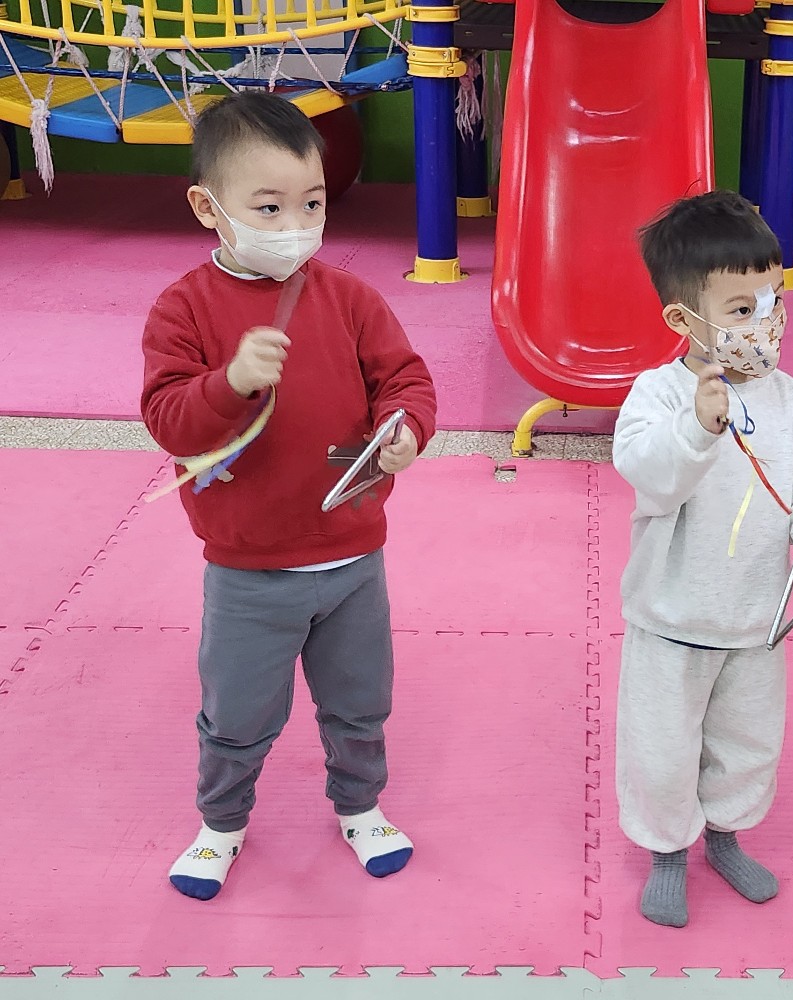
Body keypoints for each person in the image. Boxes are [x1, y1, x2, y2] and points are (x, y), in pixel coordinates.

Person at [140, 91, 436, 901]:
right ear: (209, 208)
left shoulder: (350, 299)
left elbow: (405, 378)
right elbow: (168, 419)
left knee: (359, 702)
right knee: (236, 714)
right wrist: (229, 381)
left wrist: (406, 427)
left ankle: (360, 807)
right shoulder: (182, 308)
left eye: (311, 204)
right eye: (268, 207)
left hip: (352, 558)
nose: (295, 225)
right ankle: (221, 823)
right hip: (247, 571)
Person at [612, 190, 793, 927]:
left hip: (756, 621)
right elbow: (648, 475)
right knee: (661, 749)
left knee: (747, 745)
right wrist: (696, 427)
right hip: (671, 621)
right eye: (742, 309)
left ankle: (725, 836)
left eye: (773, 301)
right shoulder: (657, 394)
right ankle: (666, 852)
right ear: (684, 321)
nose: (766, 321)